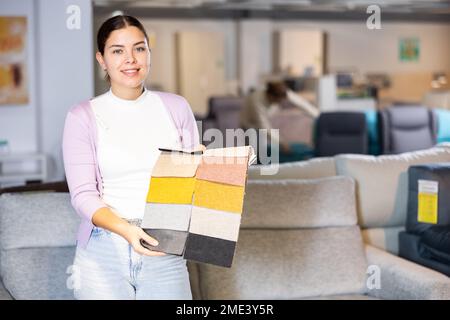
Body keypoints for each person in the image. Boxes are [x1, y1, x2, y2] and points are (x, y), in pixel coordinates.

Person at [62, 15, 201, 300]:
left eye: (139, 48)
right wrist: (127, 231)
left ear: (149, 52)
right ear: (101, 59)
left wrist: (215, 171)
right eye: (117, 50)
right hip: (103, 251)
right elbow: (83, 195)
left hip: (164, 245)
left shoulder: (177, 107)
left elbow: (191, 185)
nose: (131, 59)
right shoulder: (82, 116)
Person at [239, 81, 319, 154]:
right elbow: (265, 128)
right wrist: (281, 143)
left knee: (265, 150)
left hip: (263, 123)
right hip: (249, 125)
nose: (280, 102)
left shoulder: (283, 92)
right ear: (270, 96)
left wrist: (319, 116)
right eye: (278, 101)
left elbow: (302, 104)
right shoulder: (256, 101)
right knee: (253, 154)